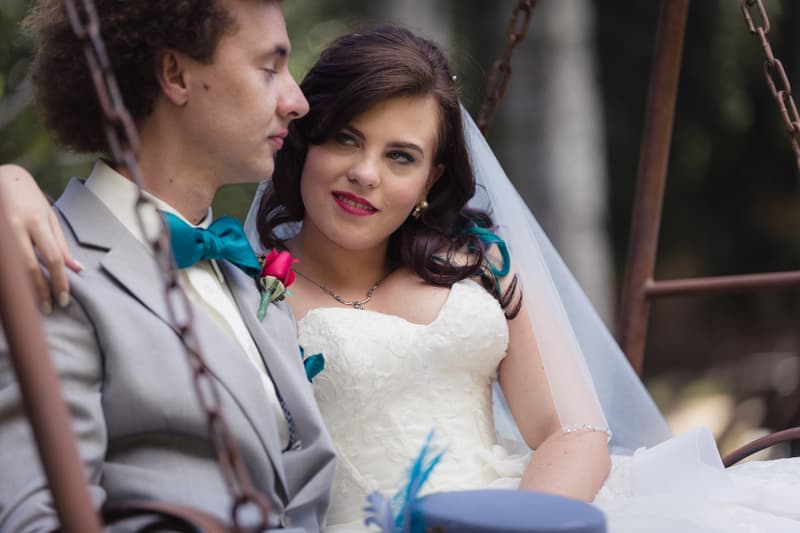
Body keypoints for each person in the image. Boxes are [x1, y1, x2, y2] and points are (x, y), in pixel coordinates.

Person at [5, 23, 800, 533]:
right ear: (305, 143)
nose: (364, 175)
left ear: (430, 179)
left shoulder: (253, 280)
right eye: (342, 137)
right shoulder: (258, 283)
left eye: (401, 157)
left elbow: (571, 429)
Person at [0, 1, 335, 532]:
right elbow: (37, 520)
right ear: (176, 74)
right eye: (269, 68)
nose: (296, 102)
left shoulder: (247, 277)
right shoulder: (43, 264)